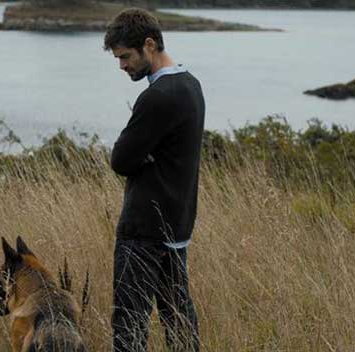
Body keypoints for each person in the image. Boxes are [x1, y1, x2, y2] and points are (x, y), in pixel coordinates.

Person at [103, 8, 205, 352]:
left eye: (126, 57)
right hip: (176, 229)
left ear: (149, 45)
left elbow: (121, 159)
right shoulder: (191, 85)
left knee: (129, 328)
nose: (121, 66)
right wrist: (144, 156)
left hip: (144, 231)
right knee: (179, 323)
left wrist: (141, 158)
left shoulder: (157, 96)